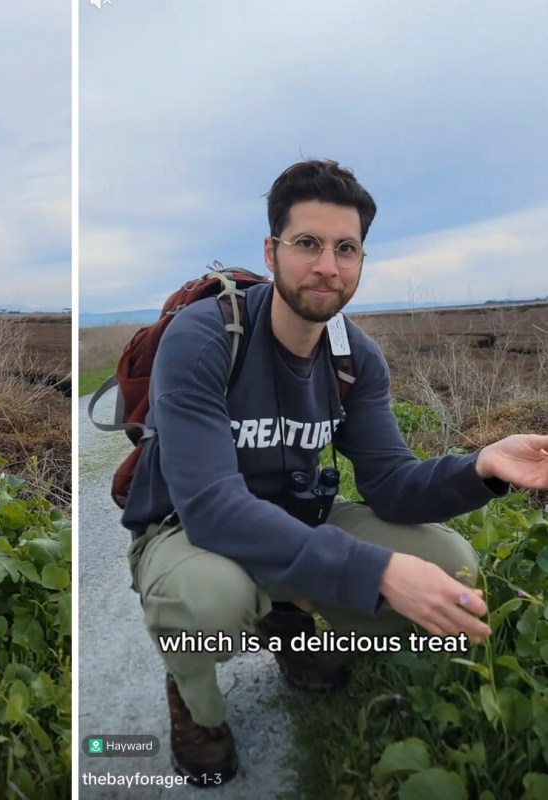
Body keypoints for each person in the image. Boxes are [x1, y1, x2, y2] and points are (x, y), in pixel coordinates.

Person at [121, 159, 548, 786]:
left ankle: (286, 616)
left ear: (361, 262)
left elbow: (392, 485)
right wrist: (370, 571)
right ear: (271, 252)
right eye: (307, 244)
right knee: (208, 601)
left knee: (450, 566)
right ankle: (196, 699)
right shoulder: (205, 338)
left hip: (296, 520)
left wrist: (481, 467)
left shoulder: (354, 357)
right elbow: (211, 507)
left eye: (345, 248)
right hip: (187, 530)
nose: (327, 265)